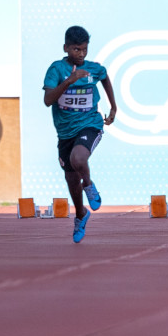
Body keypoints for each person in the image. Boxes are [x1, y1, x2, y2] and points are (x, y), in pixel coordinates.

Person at [42, 26, 117, 244]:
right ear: (66, 48)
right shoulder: (56, 70)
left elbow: (104, 77)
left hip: (90, 124)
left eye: (84, 49)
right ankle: (81, 214)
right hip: (65, 131)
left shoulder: (93, 69)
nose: (81, 54)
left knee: (78, 159)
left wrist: (113, 107)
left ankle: (89, 185)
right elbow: (48, 101)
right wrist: (69, 81)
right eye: (76, 49)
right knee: (70, 177)